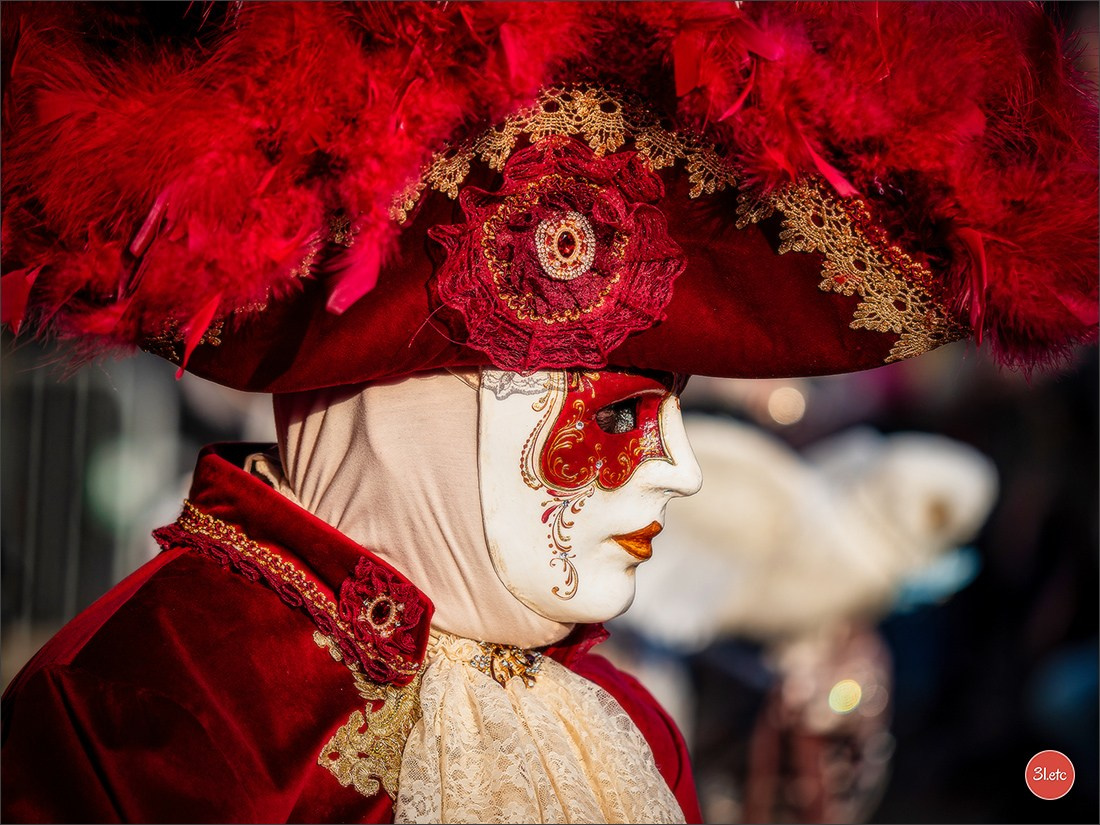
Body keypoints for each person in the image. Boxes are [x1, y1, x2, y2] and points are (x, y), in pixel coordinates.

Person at [1, 3, 1095, 823]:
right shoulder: (158, 705)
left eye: (672, 407)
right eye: (618, 414)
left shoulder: (625, 726)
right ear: (419, 403)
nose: (682, 468)